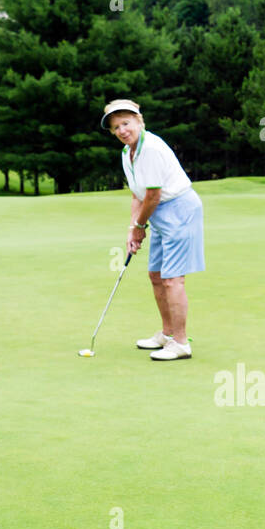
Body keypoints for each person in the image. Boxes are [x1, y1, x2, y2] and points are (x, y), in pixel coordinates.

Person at [102, 99, 204, 361]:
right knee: (156, 275)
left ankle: (181, 343)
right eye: (116, 127)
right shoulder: (128, 153)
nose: (122, 130)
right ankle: (167, 334)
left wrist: (139, 227)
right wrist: (131, 229)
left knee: (172, 279)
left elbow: (154, 196)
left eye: (126, 123)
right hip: (158, 214)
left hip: (179, 210)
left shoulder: (151, 149)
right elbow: (138, 195)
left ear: (139, 121)